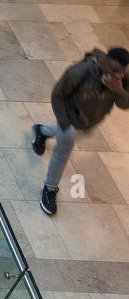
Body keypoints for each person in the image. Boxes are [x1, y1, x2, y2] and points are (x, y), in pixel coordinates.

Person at [33, 47, 129, 216]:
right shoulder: (81, 71)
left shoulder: (120, 78)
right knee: (62, 152)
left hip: (88, 124)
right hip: (70, 121)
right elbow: (57, 95)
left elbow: (124, 104)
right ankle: (50, 188)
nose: (117, 75)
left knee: (71, 138)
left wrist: (118, 89)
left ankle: (42, 131)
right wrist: (64, 125)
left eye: (120, 72)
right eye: (114, 70)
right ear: (105, 60)